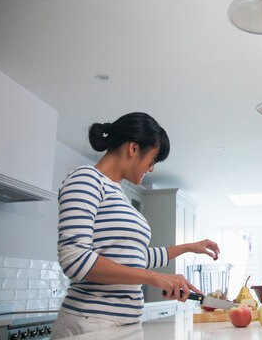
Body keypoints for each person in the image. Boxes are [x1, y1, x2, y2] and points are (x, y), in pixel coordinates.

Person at [52, 112, 220, 338]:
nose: (152, 168)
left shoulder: (118, 193)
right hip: (90, 323)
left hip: (126, 323)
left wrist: (188, 247)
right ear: (133, 148)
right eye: (153, 160)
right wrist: (153, 277)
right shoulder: (86, 179)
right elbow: (75, 259)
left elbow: (134, 256)